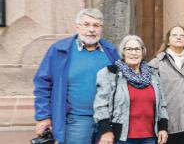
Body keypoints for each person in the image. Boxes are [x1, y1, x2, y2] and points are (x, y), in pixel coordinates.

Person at [33, 8, 120, 144]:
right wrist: (43, 116)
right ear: (77, 27)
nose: (91, 29)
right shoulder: (60, 51)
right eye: (86, 24)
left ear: (101, 29)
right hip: (75, 121)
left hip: (107, 121)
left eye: (96, 25)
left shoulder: (111, 52)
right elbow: (43, 84)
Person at [94, 35, 169, 144]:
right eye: (129, 49)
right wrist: (105, 130)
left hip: (150, 137)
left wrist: (163, 127)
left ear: (143, 52)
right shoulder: (110, 73)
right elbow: (100, 105)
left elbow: (162, 105)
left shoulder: (153, 75)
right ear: (122, 52)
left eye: (137, 49)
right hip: (121, 138)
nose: (133, 53)